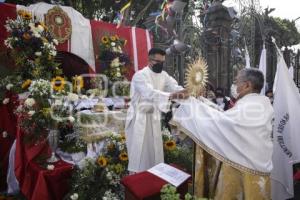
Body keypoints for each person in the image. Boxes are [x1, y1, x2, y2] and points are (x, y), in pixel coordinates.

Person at [172, 68, 274, 199]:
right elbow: (225, 118)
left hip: (240, 170)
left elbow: (221, 122)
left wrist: (190, 103)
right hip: (257, 169)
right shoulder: (261, 104)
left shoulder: (249, 106)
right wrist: (202, 101)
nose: (235, 86)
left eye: (237, 82)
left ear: (247, 85)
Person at [125, 48, 188, 173]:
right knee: (140, 155)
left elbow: (174, 87)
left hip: (153, 117)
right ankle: (137, 180)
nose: (161, 64)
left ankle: (153, 179)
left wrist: (187, 91)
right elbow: (149, 93)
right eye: (157, 61)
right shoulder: (140, 75)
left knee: (154, 153)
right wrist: (171, 96)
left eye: (163, 62)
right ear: (149, 60)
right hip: (139, 119)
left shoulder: (163, 75)